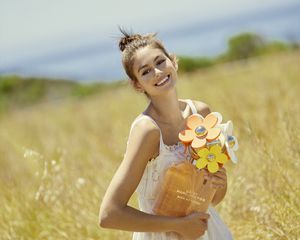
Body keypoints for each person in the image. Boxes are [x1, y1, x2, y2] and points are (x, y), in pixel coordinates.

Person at [99, 28, 233, 240]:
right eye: (145, 71)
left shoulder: (202, 114)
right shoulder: (147, 131)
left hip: (207, 231)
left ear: (173, 61)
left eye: (160, 62)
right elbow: (109, 214)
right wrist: (179, 226)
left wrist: (220, 182)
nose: (158, 72)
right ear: (137, 85)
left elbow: (212, 200)